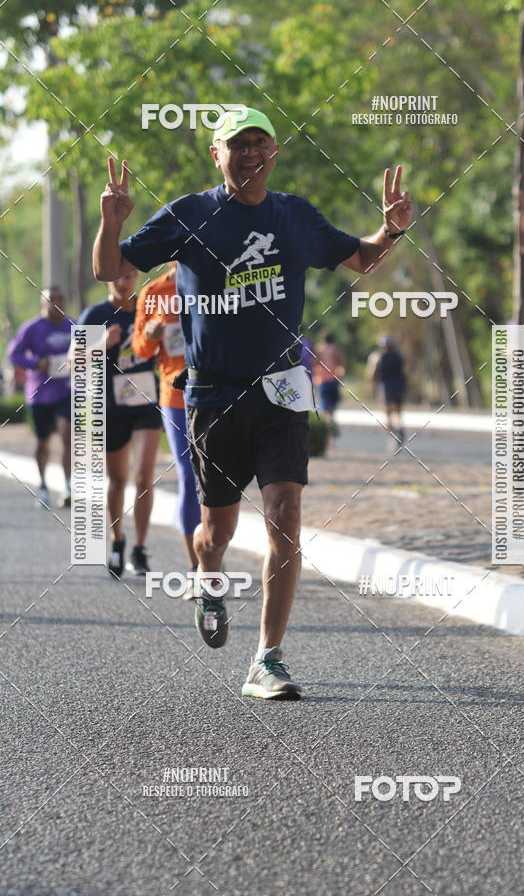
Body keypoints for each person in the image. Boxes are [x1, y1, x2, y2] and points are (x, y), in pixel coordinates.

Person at [92, 105, 412, 699]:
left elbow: (362, 260)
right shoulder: (189, 214)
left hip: (283, 389)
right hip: (213, 396)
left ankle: (268, 658)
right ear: (217, 154)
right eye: (236, 144)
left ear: (275, 153)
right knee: (214, 531)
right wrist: (111, 221)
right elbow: (109, 267)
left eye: (259, 143)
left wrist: (389, 229)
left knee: (285, 516)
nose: (249, 154)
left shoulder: (293, 215)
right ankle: (207, 579)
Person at [78, 271, 162, 577]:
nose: (122, 281)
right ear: (106, 279)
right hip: (111, 406)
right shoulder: (95, 314)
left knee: (143, 476)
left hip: (146, 402)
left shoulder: (148, 307)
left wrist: (157, 336)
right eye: (116, 276)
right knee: (117, 480)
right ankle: (118, 540)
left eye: (128, 275)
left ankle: (140, 548)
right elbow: (75, 361)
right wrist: (102, 342)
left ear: (136, 276)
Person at [132, 262, 201, 580]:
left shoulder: (212, 277)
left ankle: (212, 549)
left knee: (217, 476)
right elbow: (140, 349)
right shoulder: (153, 292)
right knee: (189, 474)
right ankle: (195, 564)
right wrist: (149, 335)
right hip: (174, 396)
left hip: (215, 392)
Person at [7, 287, 73, 508]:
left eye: (60, 298)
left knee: (67, 436)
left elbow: (89, 350)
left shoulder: (73, 325)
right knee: (43, 442)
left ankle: (68, 485)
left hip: (66, 391)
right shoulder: (32, 328)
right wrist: (36, 363)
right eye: (51, 299)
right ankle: (43, 485)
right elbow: (13, 354)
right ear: (43, 304)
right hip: (40, 394)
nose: (57, 302)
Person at [367, 334, 407, 445]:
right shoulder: (399, 355)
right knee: (397, 411)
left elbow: (372, 374)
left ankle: (395, 434)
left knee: (388, 414)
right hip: (399, 386)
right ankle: (399, 428)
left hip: (386, 387)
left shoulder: (378, 357)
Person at [313, 331, 347, 437]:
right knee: (331, 407)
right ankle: (331, 424)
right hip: (333, 380)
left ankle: (330, 426)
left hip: (322, 381)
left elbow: (313, 363)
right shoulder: (336, 350)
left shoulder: (318, 349)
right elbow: (343, 365)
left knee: (325, 408)